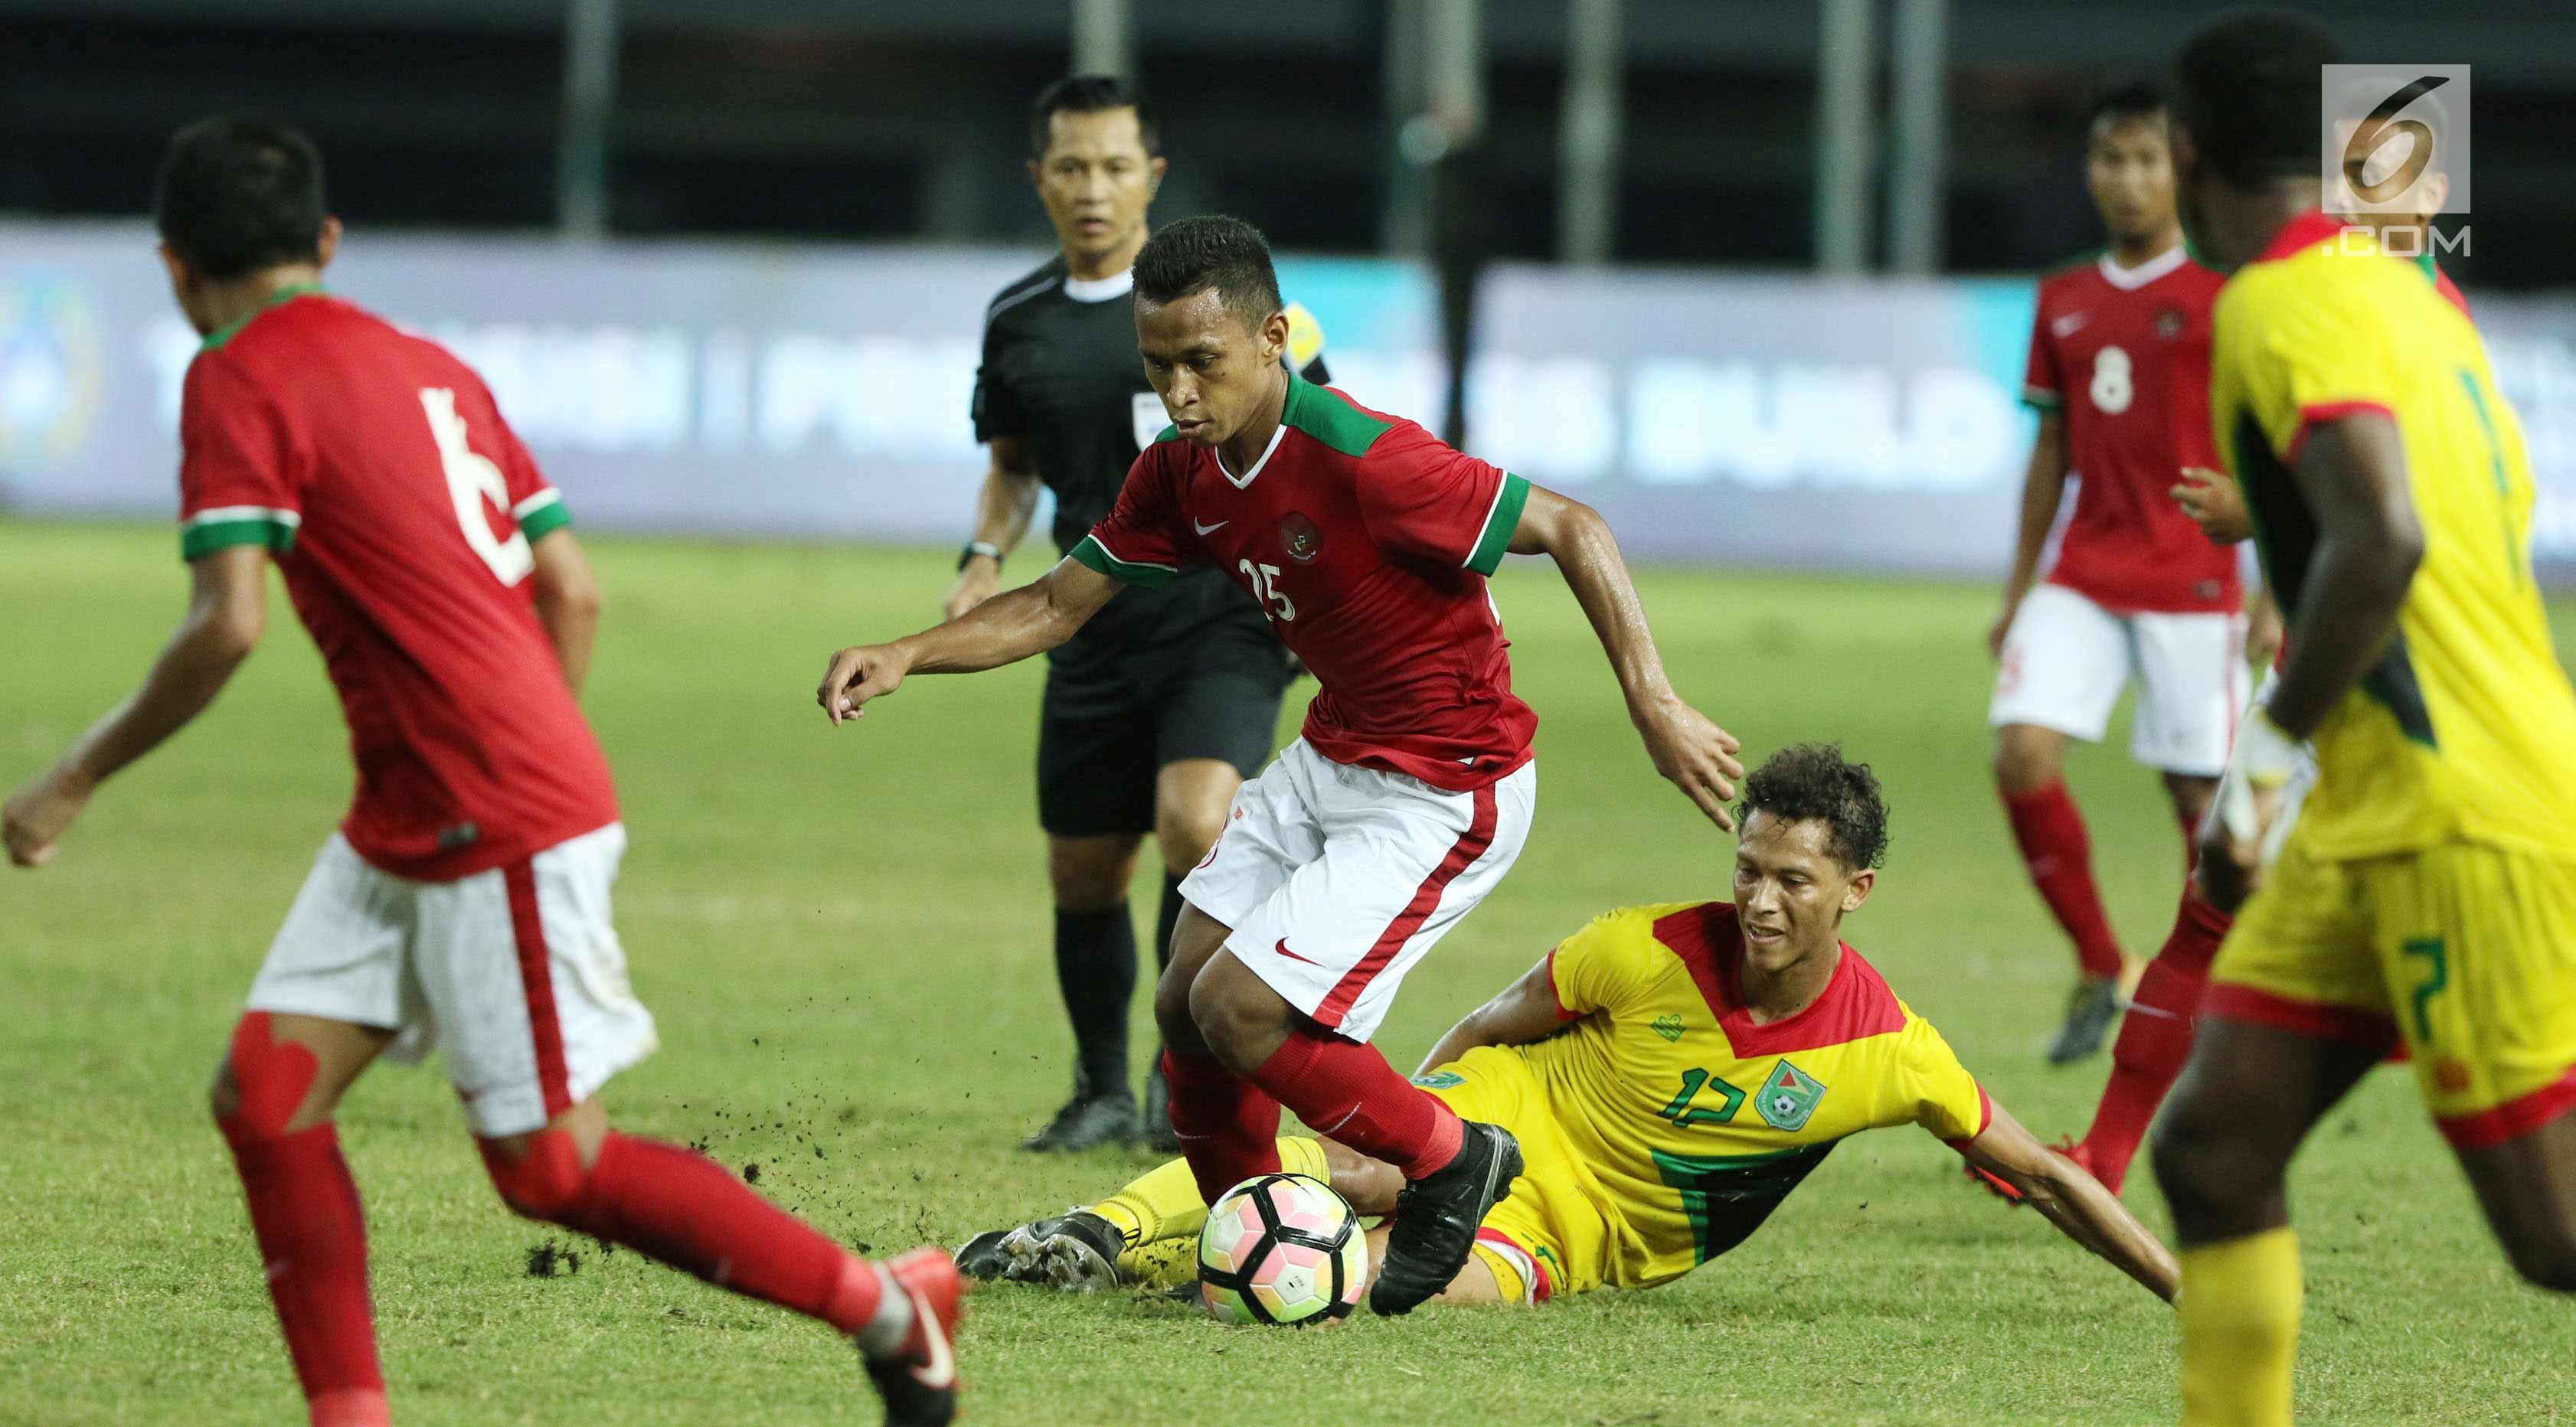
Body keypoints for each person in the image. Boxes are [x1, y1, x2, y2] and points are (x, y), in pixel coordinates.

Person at [0, 118, 963, 1427]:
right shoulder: (431, 365)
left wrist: (70, 778)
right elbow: (573, 590)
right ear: (326, 244)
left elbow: (226, 621)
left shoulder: (234, 376)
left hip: (484, 815)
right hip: (419, 810)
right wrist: (518, 738)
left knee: (550, 1172)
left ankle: (892, 1311)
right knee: (268, 1097)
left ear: (174, 269)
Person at [816, 215, 1742, 1314]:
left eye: (1201, 362)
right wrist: (906, 653)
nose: (1178, 393)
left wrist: (1653, 700)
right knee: (1182, 1005)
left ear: (1272, 338)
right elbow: (1060, 602)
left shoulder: (1368, 459)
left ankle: (1453, 1159)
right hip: (1337, 751)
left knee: (1246, 1011)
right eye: (1157, 366)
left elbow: (1574, 526)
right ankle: (1250, 1236)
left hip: (1446, 785)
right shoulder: (1179, 472)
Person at [957, 746, 2178, 1309]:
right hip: (1505, 1116)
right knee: (1368, 1165)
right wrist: (1419, 1119)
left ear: (1854, 892)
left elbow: (2048, 1179)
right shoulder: (1643, 946)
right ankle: (1099, 1230)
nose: (1757, 899)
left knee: (1380, 1302)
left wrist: (2183, 1288)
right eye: (1749, 867)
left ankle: (1209, 1277)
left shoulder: (1890, 1054)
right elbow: (1497, 1016)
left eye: (1791, 883)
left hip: (1575, 1238)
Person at [2152, 15, 2576, 1425]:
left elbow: (2378, 541)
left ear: (2189, 154)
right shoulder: (2414, 290)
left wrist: (2257, 769)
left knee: (2556, 1234)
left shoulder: (2278, 305)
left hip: (2457, 810)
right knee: (2214, 1146)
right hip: (2388, 804)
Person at [959, 77, 1329, 1154]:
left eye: (1116, 166)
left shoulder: (1237, 307)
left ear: (1152, 177)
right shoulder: (1020, 321)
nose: (1093, 189)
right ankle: (1098, 1092)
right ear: (1039, 179)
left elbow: (1315, 446)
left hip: (1225, 617)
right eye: (1071, 167)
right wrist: (984, 557)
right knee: (1085, 870)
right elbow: (1014, 471)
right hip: (1087, 619)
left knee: (1197, 823)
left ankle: (1186, 1077)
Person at [1989, 81, 2248, 1067]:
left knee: (2202, 803)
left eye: (2147, 161)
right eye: (2111, 161)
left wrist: (2268, 594)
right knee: (2022, 752)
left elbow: (2259, 450)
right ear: (2091, 171)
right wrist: (2018, 593)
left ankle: (2204, 1008)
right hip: (2085, 573)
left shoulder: (2227, 298)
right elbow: (2050, 453)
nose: (2128, 181)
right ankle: (2102, 962)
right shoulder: (2063, 299)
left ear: (2179, 170)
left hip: (2196, 580)